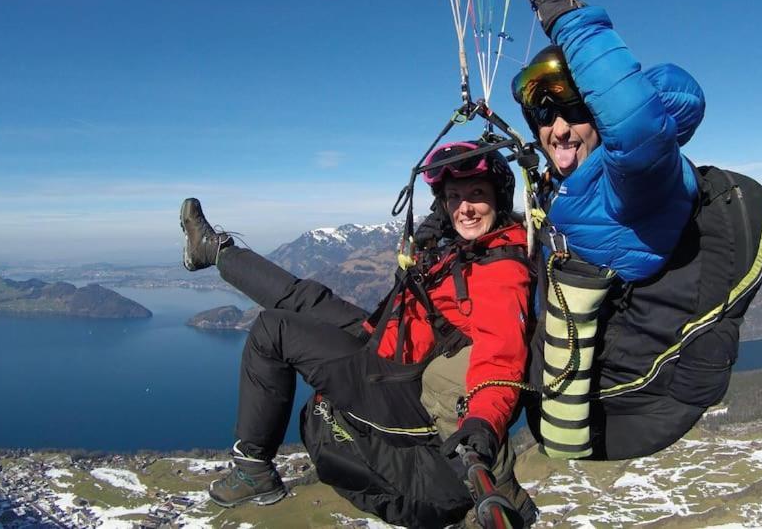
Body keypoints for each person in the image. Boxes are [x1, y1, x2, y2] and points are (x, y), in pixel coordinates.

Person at [503, 0, 762, 460]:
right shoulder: (577, 184)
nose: (556, 128)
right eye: (542, 113)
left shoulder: (637, 181)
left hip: (621, 410)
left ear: (603, 114)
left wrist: (554, 1)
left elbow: (633, 123)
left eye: (576, 108)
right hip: (592, 408)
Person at [179, 140, 537, 527]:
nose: (464, 208)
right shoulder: (465, 246)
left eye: (477, 195)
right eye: (454, 197)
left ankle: (253, 468)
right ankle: (216, 251)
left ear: (499, 198)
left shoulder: (502, 269)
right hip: (389, 345)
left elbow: (500, 356)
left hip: (398, 387)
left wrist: (481, 427)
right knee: (306, 298)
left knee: (273, 330)